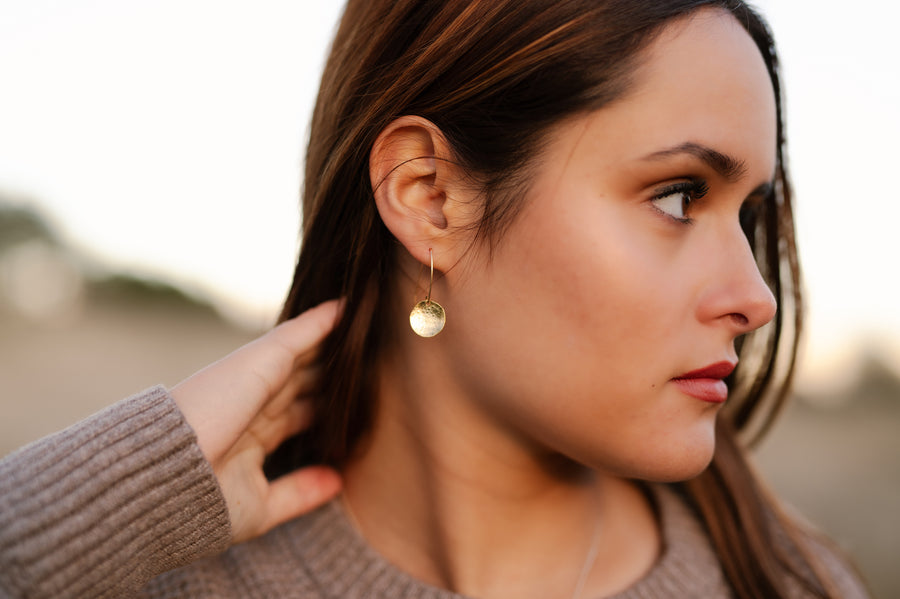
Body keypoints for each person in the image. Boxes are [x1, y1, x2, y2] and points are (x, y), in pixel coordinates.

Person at [0, 1, 871, 598]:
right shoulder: (164, 572)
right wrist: (97, 508)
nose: (755, 296)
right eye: (679, 195)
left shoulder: (790, 583)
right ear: (430, 198)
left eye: (748, 213)